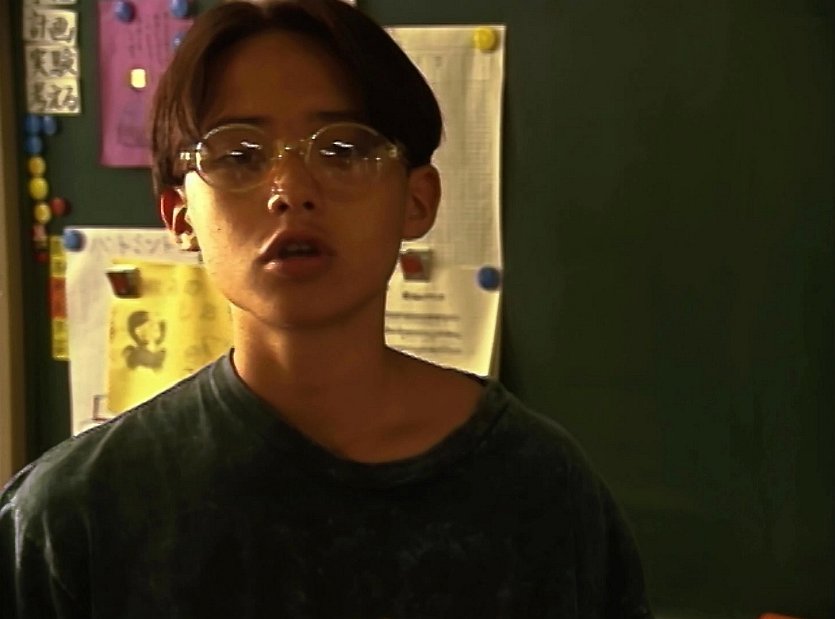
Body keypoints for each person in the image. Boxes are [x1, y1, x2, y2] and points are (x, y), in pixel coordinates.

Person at [0, 0, 653, 616]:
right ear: (180, 216)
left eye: (342, 150)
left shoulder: (538, 488)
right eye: (239, 156)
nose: (290, 189)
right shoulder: (74, 517)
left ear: (417, 200)